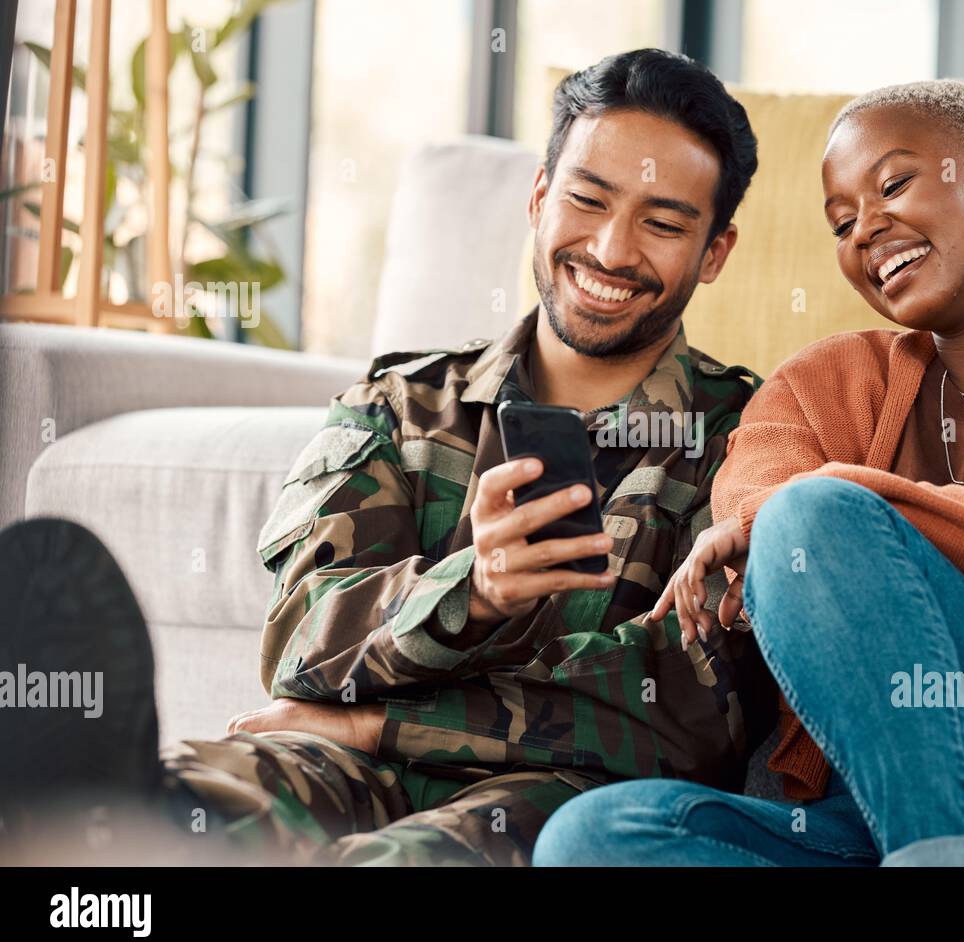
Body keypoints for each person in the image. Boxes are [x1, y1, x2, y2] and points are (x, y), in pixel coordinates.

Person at [0, 48, 777, 866]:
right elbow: (301, 642)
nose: (612, 250)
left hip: (555, 790)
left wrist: (379, 719)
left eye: (662, 223)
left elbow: (694, 714)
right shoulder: (399, 404)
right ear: (541, 197)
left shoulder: (745, 435)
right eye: (588, 199)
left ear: (714, 252)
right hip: (339, 761)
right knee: (194, 804)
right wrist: (471, 593)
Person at [533, 79, 964, 867]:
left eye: (894, 184)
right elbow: (756, 508)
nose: (866, 228)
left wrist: (843, 515)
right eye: (841, 222)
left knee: (812, 513)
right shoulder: (818, 382)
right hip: (868, 823)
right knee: (591, 839)